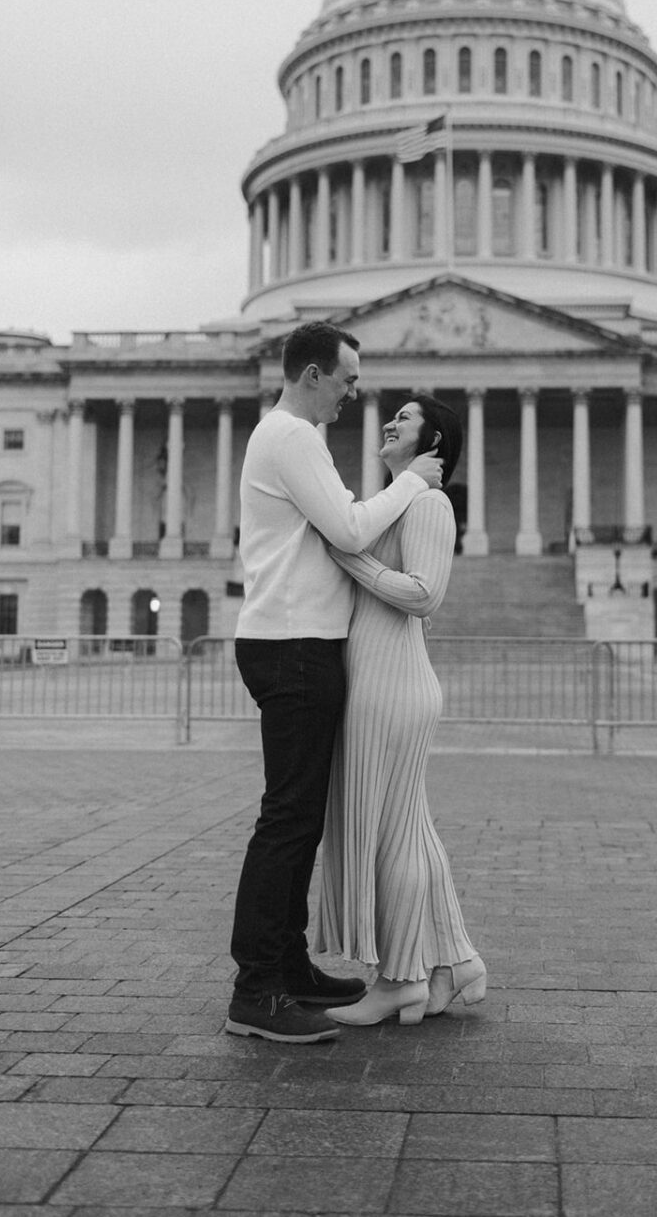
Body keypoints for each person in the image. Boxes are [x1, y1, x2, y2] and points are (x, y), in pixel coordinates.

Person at [225, 323, 444, 1045]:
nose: (356, 392)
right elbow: (350, 531)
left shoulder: (292, 438)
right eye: (348, 379)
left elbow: (343, 530)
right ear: (315, 373)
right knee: (287, 821)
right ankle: (256, 990)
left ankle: (287, 967)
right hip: (291, 643)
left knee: (299, 819)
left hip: (297, 640)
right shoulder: (290, 437)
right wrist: (412, 481)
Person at [315, 394, 486, 1026]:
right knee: (408, 829)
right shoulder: (395, 503)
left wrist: (347, 557)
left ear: (433, 439)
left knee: (387, 836)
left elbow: (424, 594)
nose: (391, 420)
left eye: (407, 417)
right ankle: (455, 960)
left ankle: (398, 979)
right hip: (379, 678)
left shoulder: (430, 503)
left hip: (392, 683)